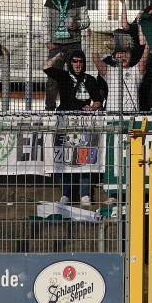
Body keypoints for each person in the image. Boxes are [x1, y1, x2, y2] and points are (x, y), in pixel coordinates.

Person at [43, 48, 104, 207]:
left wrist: (93, 107)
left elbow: (98, 100)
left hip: (84, 123)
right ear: (70, 63)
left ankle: (85, 194)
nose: (78, 64)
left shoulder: (90, 80)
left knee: (85, 155)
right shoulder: (63, 76)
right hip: (64, 121)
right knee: (64, 156)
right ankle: (65, 194)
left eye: (81, 61)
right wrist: (57, 56)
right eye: (75, 61)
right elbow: (46, 67)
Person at [43, 0, 91, 110]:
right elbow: (45, 23)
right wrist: (47, 41)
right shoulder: (50, 2)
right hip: (55, 45)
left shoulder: (78, 1)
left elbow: (87, 21)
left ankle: (74, 106)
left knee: (76, 76)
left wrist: (78, 24)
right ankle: (50, 108)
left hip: (74, 44)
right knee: (52, 78)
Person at [90, 32, 150, 113]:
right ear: (114, 56)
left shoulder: (136, 71)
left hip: (132, 116)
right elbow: (96, 60)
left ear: (130, 54)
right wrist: (93, 40)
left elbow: (145, 57)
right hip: (112, 116)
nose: (123, 55)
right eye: (120, 53)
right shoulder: (110, 71)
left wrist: (149, 41)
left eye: (125, 52)